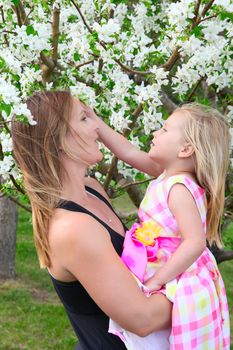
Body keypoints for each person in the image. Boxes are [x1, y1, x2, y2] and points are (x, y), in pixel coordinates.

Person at [11, 90, 172, 350]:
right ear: (59, 140)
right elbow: (143, 319)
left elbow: (170, 172)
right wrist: (196, 286)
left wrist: (93, 121)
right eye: (84, 119)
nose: (97, 126)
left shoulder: (92, 189)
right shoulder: (74, 228)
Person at [87, 103, 231, 349]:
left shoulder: (178, 189)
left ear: (186, 149)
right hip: (158, 261)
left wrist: (157, 281)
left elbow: (194, 242)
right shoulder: (166, 174)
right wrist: (95, 123)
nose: (155, 133)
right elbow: (128, 151)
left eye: (164, 129)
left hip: (175, 271)